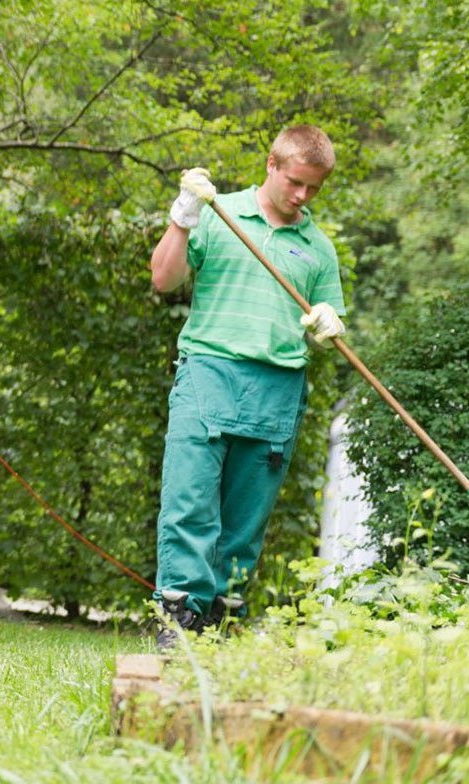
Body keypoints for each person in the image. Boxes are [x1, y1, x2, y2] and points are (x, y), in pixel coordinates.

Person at [148, 124, 347, 648]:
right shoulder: (219, 215)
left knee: (245, 520)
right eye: (296, 182)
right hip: (208, 373)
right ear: (272, 165)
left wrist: (330, 322)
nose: (302, 196)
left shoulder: (319, 249)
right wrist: (182, 220)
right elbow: (163, 280)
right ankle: (179, 619)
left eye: (314, 188)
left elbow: (333, 326)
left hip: (276, 389)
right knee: (189, 502)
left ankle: (221, 618)